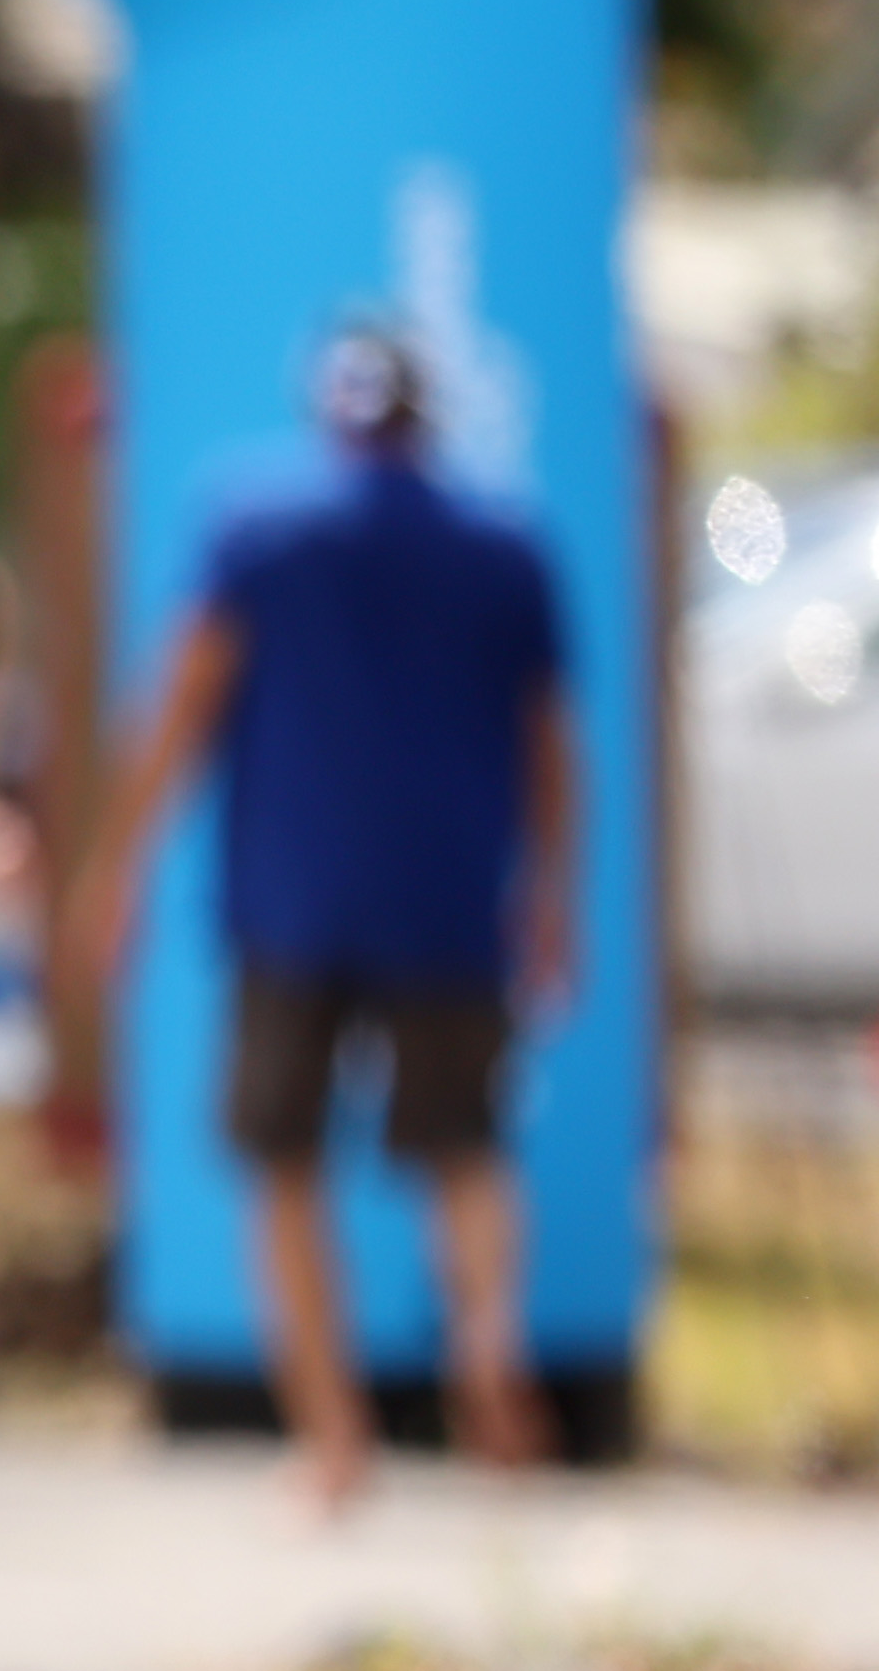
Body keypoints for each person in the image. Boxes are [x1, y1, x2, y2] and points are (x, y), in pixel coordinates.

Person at [71, 326, 571, 1506]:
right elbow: (551, 741)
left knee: (284, 1162)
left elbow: (186, 697)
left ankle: (331, 1435)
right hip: (452, 891)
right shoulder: (505, 543)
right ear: (427, 420)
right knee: (466, 1145)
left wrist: (117, 861)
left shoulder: (258, 523)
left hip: (291, 893)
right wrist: (550, 889)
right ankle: (489, 1338)